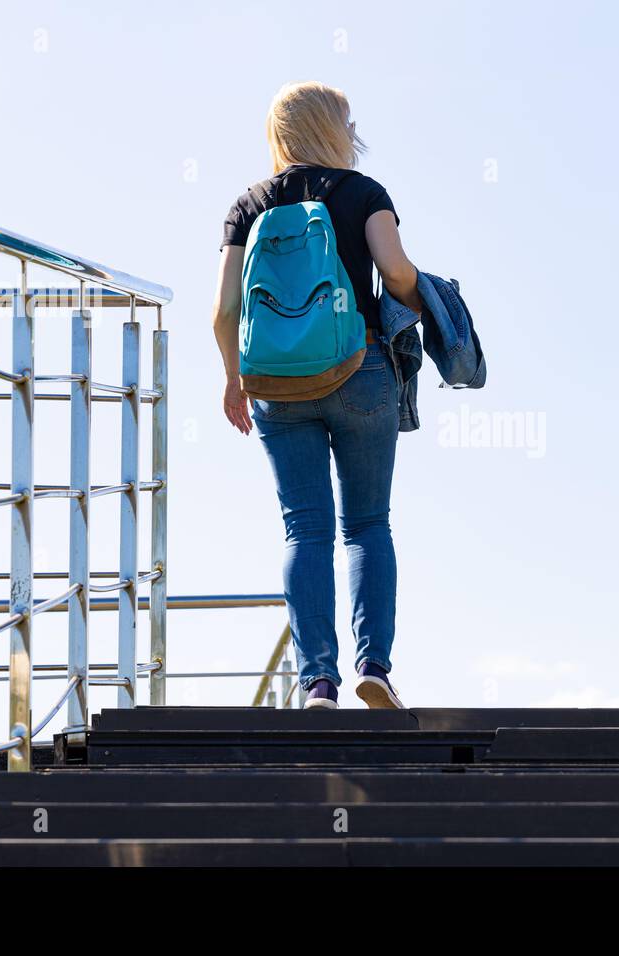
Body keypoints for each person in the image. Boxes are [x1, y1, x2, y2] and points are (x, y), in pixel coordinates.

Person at [210, 81, 421, 710]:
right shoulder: (365, 193)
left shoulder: (249, 205)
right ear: (332, 128)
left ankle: (317, 682)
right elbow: (396, 273)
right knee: (368, 523)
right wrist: (428, 303)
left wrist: (233, 377)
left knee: (304, 529)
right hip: (362, 368)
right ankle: (373, 666)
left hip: (277, 383)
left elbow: (222, 310)